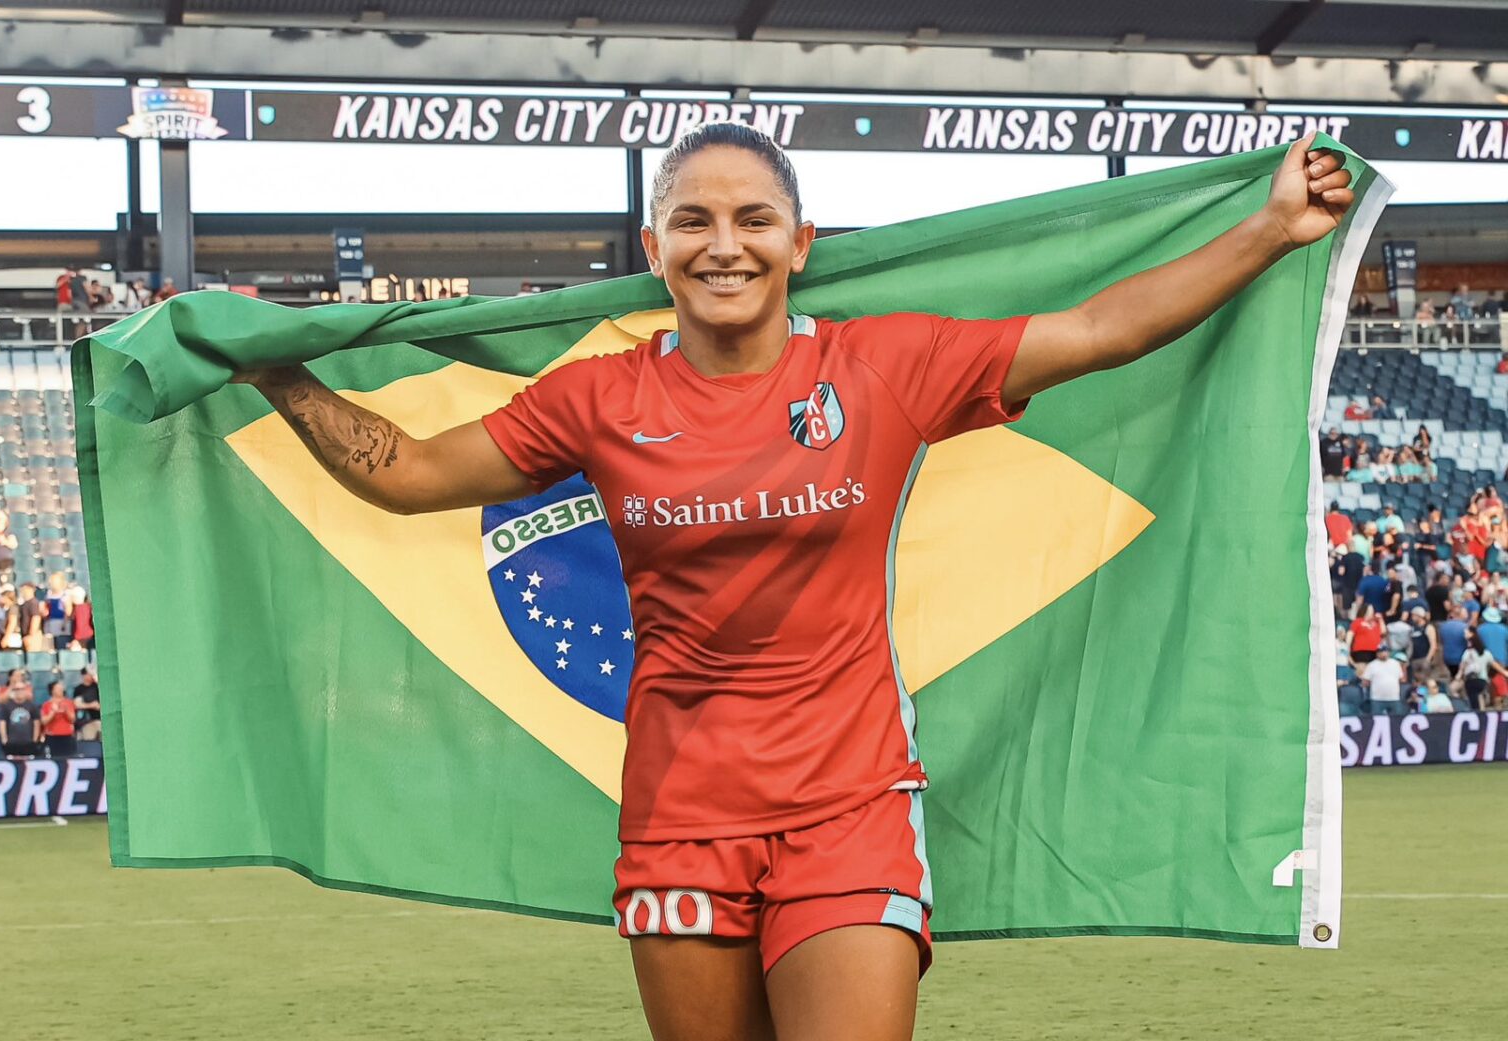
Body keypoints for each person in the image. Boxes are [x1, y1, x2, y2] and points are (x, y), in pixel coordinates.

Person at [231, 123, 1356, 1039]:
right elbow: (414, 473)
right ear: (655, 244)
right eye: (696, 222)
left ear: (801, 241)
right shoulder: (600, 398)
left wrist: (1270, 229)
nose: (727, 245)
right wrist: (273, 369)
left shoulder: (881, 369)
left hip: (851, 807)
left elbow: (1102, 329)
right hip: (680, 818)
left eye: (754, 219)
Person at [0, 682, 41, 757]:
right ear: (13, 691)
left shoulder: (32, 706)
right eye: (16, 689)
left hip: (28, 743)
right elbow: (2, 723)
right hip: (11, 743)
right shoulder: (6, 706)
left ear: (25, 691)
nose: (19, 691)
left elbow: (36, 723)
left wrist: (35, 739)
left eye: (22, 689)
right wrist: (4, 739)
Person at [1363, 644, 1406, 716]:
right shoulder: (1372, 665)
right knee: (1376, 719)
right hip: (1377, 698)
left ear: (1388, 652)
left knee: (1397, 720)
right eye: (1380, 652)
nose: (1383, 653)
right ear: (1377, 653)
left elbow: (1401, 679)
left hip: (1394, 698)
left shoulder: (1395, 664)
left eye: (1385, 651)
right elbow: (1365, 681)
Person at [40, 680, 77, 758]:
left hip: (67, 737)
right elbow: (44, 721)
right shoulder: (46, 705)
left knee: (69, 758)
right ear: (52, 691)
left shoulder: (69, 702)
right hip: (52, 737)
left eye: (61, 688)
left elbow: (73, 719)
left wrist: (66, 710)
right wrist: (53, 712)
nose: (61, 689)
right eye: (58, 688)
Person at [1437, 605, 1470, 678]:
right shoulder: (1465, 627)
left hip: (1447, 658)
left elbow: (1441, 642)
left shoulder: (1443, 626)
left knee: (1452, 676)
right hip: (1461, 658)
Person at [73, 668, 101, 741]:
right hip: (87, 722)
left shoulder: (97, 686)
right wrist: (91, 705)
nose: (91, 676)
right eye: (89, 674)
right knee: (89, 743)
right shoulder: (79, 689)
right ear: (84, 675)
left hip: (100, 720)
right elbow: (77, 704)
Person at [68, 586, 95, 651]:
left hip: (82, 638)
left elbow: (79, 625)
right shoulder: (88, 606)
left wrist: (76, 639)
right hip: (89, 636)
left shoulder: (78, 609)